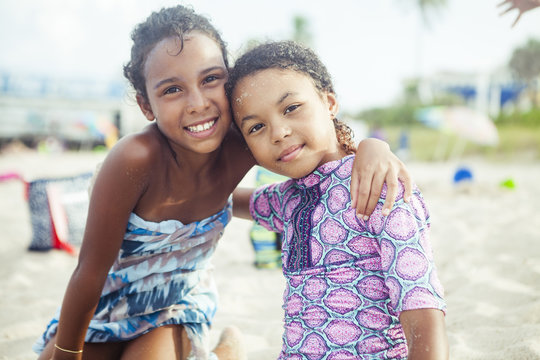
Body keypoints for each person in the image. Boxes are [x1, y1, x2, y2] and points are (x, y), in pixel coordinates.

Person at [33, 5, 414, 360]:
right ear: (146, 105)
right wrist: (67, 353)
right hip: (106, 301)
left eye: (211, 79)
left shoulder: (246, 139)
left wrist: (370, 146)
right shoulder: (135, 159)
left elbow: (315, 150)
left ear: (229, 83)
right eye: (172, 89)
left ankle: (220, 351)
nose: (198, 102)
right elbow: (89, 271)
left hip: (176, 303)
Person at [228, 41, 448, 359]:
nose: (277, 132)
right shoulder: (288, 199)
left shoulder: (377, 185)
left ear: (329, 102)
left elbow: (422, 310)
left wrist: (373, 146)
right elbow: (225, 200)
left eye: (291, 108)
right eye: (256, 127)